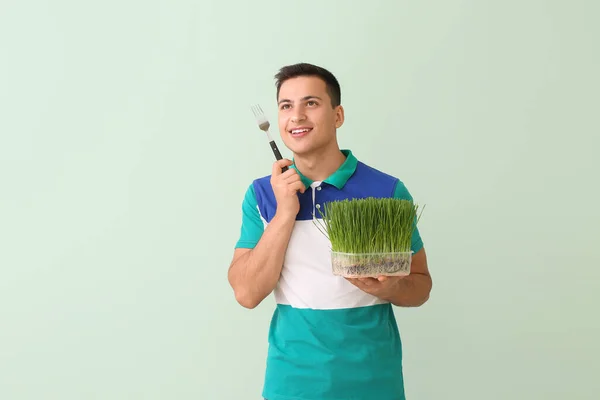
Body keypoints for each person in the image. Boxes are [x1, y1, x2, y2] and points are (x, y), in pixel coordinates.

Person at [227, 62, 432, 400]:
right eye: (286, 106)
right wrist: (285, 212)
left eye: (311, 103)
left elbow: (421, 286)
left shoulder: (386, 190)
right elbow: (247, 294)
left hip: (374, 386)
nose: (296, 116)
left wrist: (392, 287)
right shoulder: (262, 195)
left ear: (338, 116)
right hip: (291, 387)